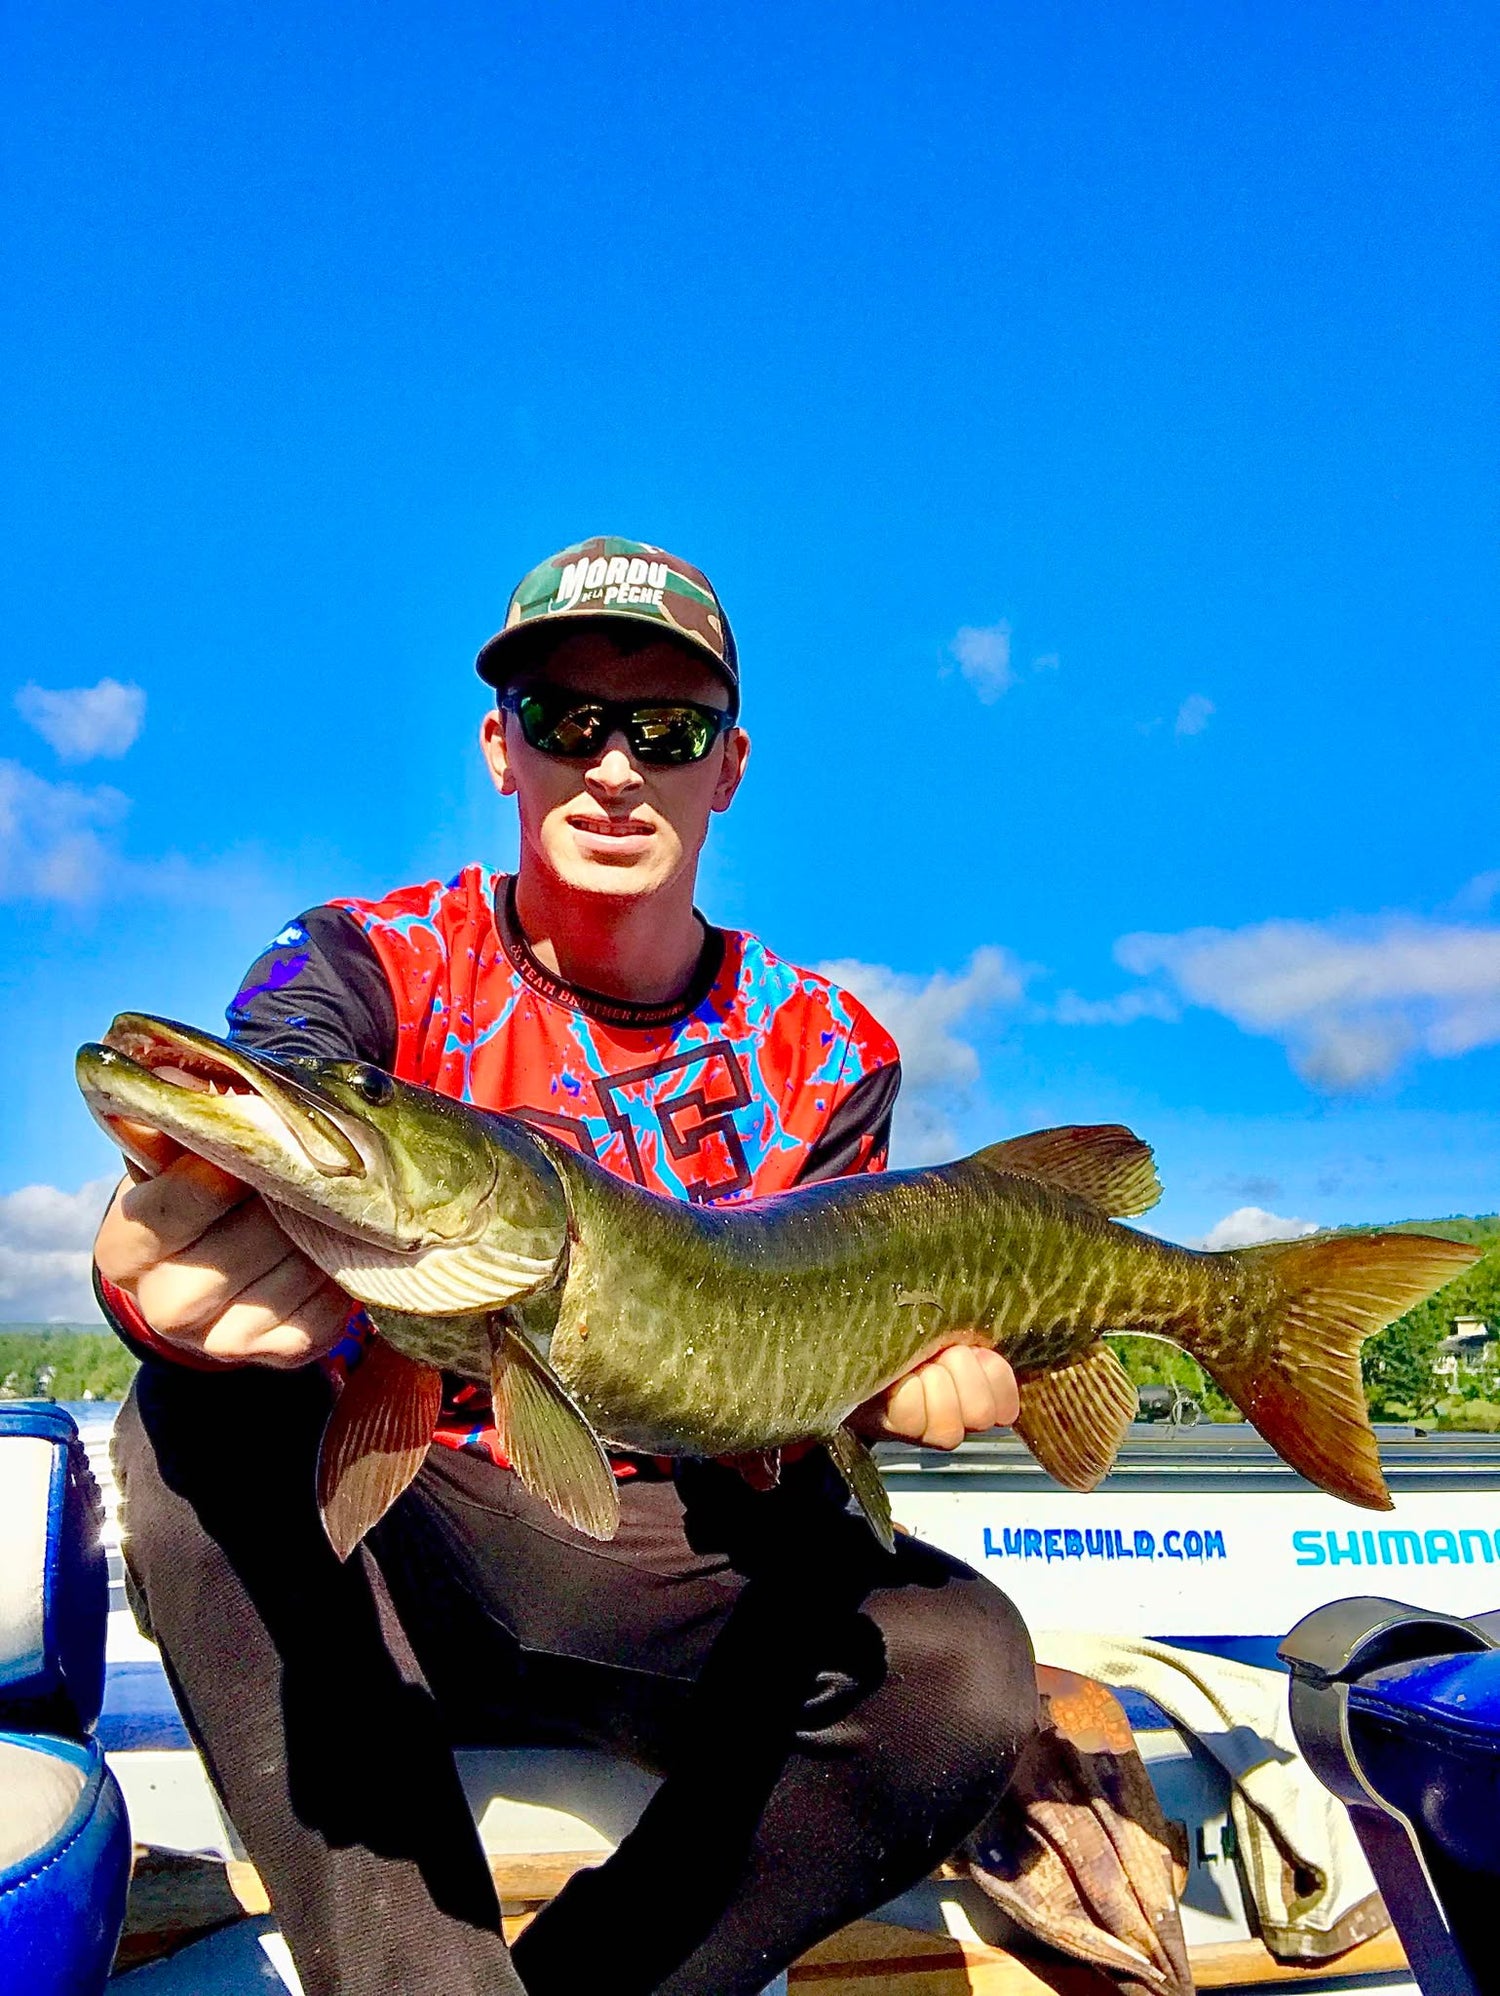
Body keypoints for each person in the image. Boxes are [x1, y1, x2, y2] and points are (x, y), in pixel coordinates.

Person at [93, 537, 1038, 1996]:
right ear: (500, 749)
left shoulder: (836, 1049)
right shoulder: (365, 957)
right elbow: (280, 1068)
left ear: (726, 769)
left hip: (663, 1563)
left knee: (961, 1669)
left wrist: (882, 1385)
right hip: (394, 1545)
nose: (612, 767)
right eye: (564, 719)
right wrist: (162, 1243)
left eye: (664, 731)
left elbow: (805, 1409)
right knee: (190, 1416)